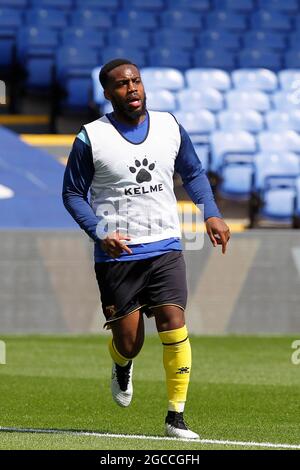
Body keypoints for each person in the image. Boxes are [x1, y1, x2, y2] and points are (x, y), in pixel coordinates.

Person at [62, 58, 230, 439]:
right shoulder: (91, 137)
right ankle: (122, 363)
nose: (132, 88)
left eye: (136, 80)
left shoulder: (170, 125)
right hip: (118, 253)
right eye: (121, 84)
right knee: (130, 342)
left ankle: (176, 417)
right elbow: (72, 193)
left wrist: (212, 215)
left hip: (166, 244)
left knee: (174, 321)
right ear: (108, 93)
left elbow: (193, 173)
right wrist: (98, 231)